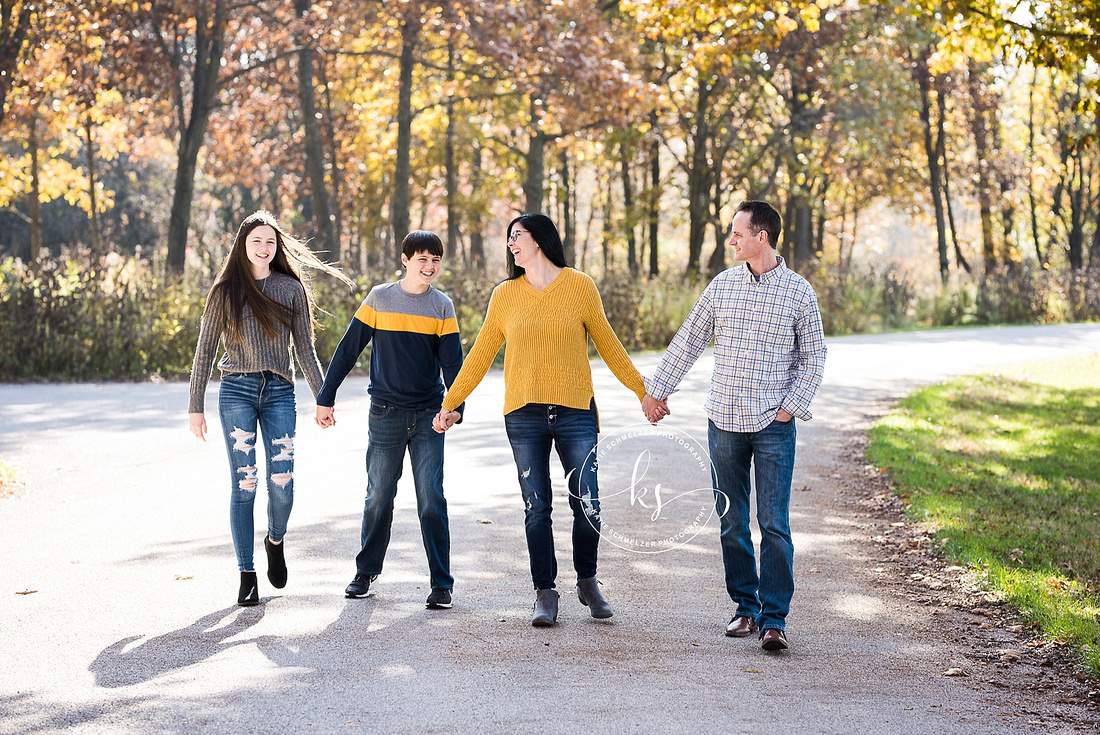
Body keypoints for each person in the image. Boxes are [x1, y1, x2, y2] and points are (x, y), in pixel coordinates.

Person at [433, 213, 648, 627]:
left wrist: (643, 392)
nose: (511, 243)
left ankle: (587, 581)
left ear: (540, 240)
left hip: (575, 412)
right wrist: (451, 402)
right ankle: (544, 592)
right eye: (510, 238)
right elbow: (480, 355)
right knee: (537, 506)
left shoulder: (580, 286)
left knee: (588, 502)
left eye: (518, 236)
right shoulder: (505, 295)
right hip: (523, 414)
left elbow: (609, 344)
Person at [642, 200, 827, 652]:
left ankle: (774, 620)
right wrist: (656, 391)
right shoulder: (723, 286)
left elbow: (814, 356)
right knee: (731, 521)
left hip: (772, 426)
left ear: (761, 237)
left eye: (737, 233)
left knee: (775, 524)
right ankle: (745, 608)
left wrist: (789, 408)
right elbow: (688, 339)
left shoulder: (798, 292)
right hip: (722, 422)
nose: (731, 240)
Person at [189, 210, 351, 607]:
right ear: (242, 245)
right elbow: (204, 351)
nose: (264, 248)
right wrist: (195, 406)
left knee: (283, 484)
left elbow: (305, 350)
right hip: (236, 393)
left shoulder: (290, 289)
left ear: (277, 247)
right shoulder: (224, 291)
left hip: (279, 392)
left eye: (270, 242)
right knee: (244, 484)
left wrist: (323, 397)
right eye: (257, 241)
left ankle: (275, 539)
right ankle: (246, 572)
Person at [315, 231, 464, 609]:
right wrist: (325, 397)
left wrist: (456, 407)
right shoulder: (380, 298)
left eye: (435, 260)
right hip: (385, 414)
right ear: (405, 259)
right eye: (422, 259)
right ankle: (365, 572)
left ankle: (441, 584)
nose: (430, 267)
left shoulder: (442, 306)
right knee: (378, 496)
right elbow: (349, 349)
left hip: (430, 416)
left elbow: (454, 365)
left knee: (431, 498)